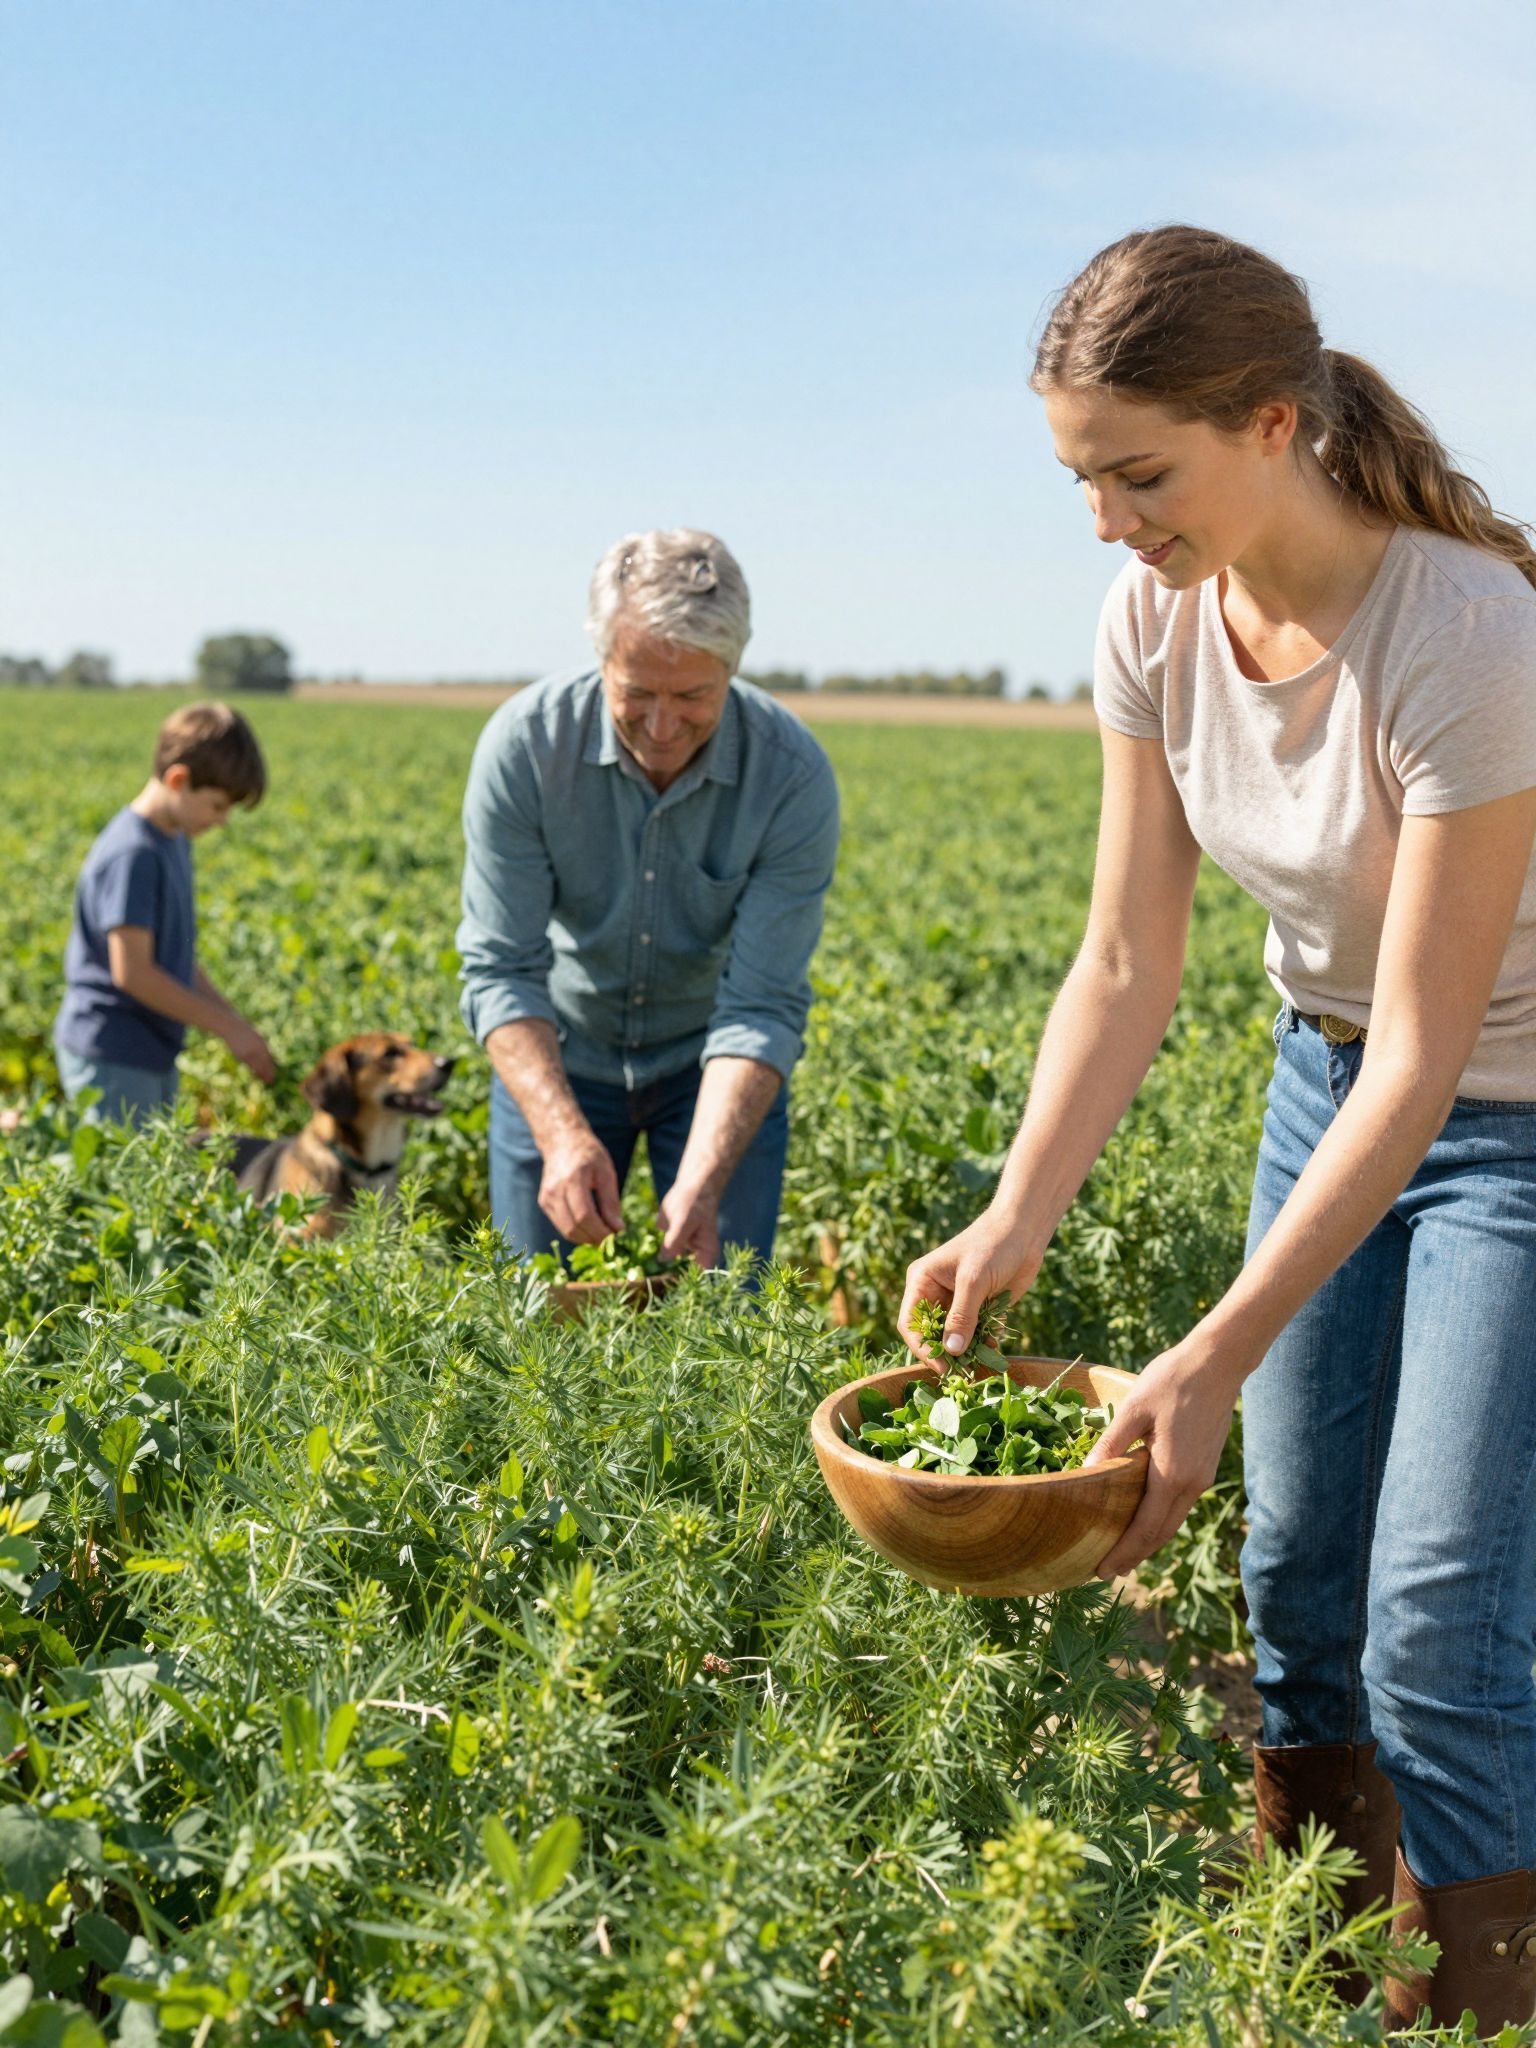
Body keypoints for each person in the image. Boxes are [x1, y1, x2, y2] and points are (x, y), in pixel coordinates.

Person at [900, 226, 1536, 2032]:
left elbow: (1429, 1059)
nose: (1106, 521)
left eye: (1137, 473)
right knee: (1289, 1570)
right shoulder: (1150, 618)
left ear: (1271, 424)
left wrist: (1196, 1354)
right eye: (1080, 478)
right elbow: (1122, 955)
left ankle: (1478, 2007)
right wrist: (1021, 1206)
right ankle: (1328, 1975)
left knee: (1435, 1618)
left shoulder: (1468, 631)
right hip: (1318, 1082)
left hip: (1511, 1122)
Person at [458, 528, 839, 1269]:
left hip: (709, 1069)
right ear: (602, 660)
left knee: (721, 1326)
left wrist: (702, 1179)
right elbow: (502, 969)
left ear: (733, 667)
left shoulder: (791, 777)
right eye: (635, 693)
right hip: (559, 1052)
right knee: (531, 1328)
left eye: (694, 696)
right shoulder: (525, 749)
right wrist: (561, 1134)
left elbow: (761, 1006)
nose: (662, 727)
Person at [54, 701, 277, 1125]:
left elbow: (174, 960)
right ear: (178, 780)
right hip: (113, 1051)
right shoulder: (133, 853)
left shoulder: (171, 838)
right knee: (129, 1182)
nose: (223, 820)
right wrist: (227, 1029)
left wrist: (235, 1021)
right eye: (216, 805)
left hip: (148, 1049)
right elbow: (133, 973)